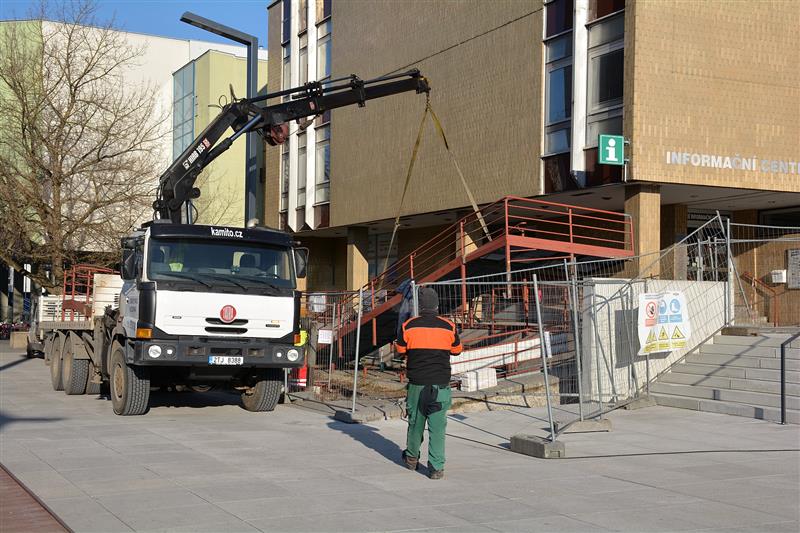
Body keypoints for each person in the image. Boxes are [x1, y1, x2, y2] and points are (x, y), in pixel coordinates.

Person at [395, 287, 462, 479]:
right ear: (437, 305)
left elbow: (400, 350)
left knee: (415, 423)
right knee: (438, 427)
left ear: (420, 305)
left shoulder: (408, 326)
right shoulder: (449, 326)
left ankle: (411, 459)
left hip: (417, 384)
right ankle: (436, 468)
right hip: (440, 385)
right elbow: (457, 350)